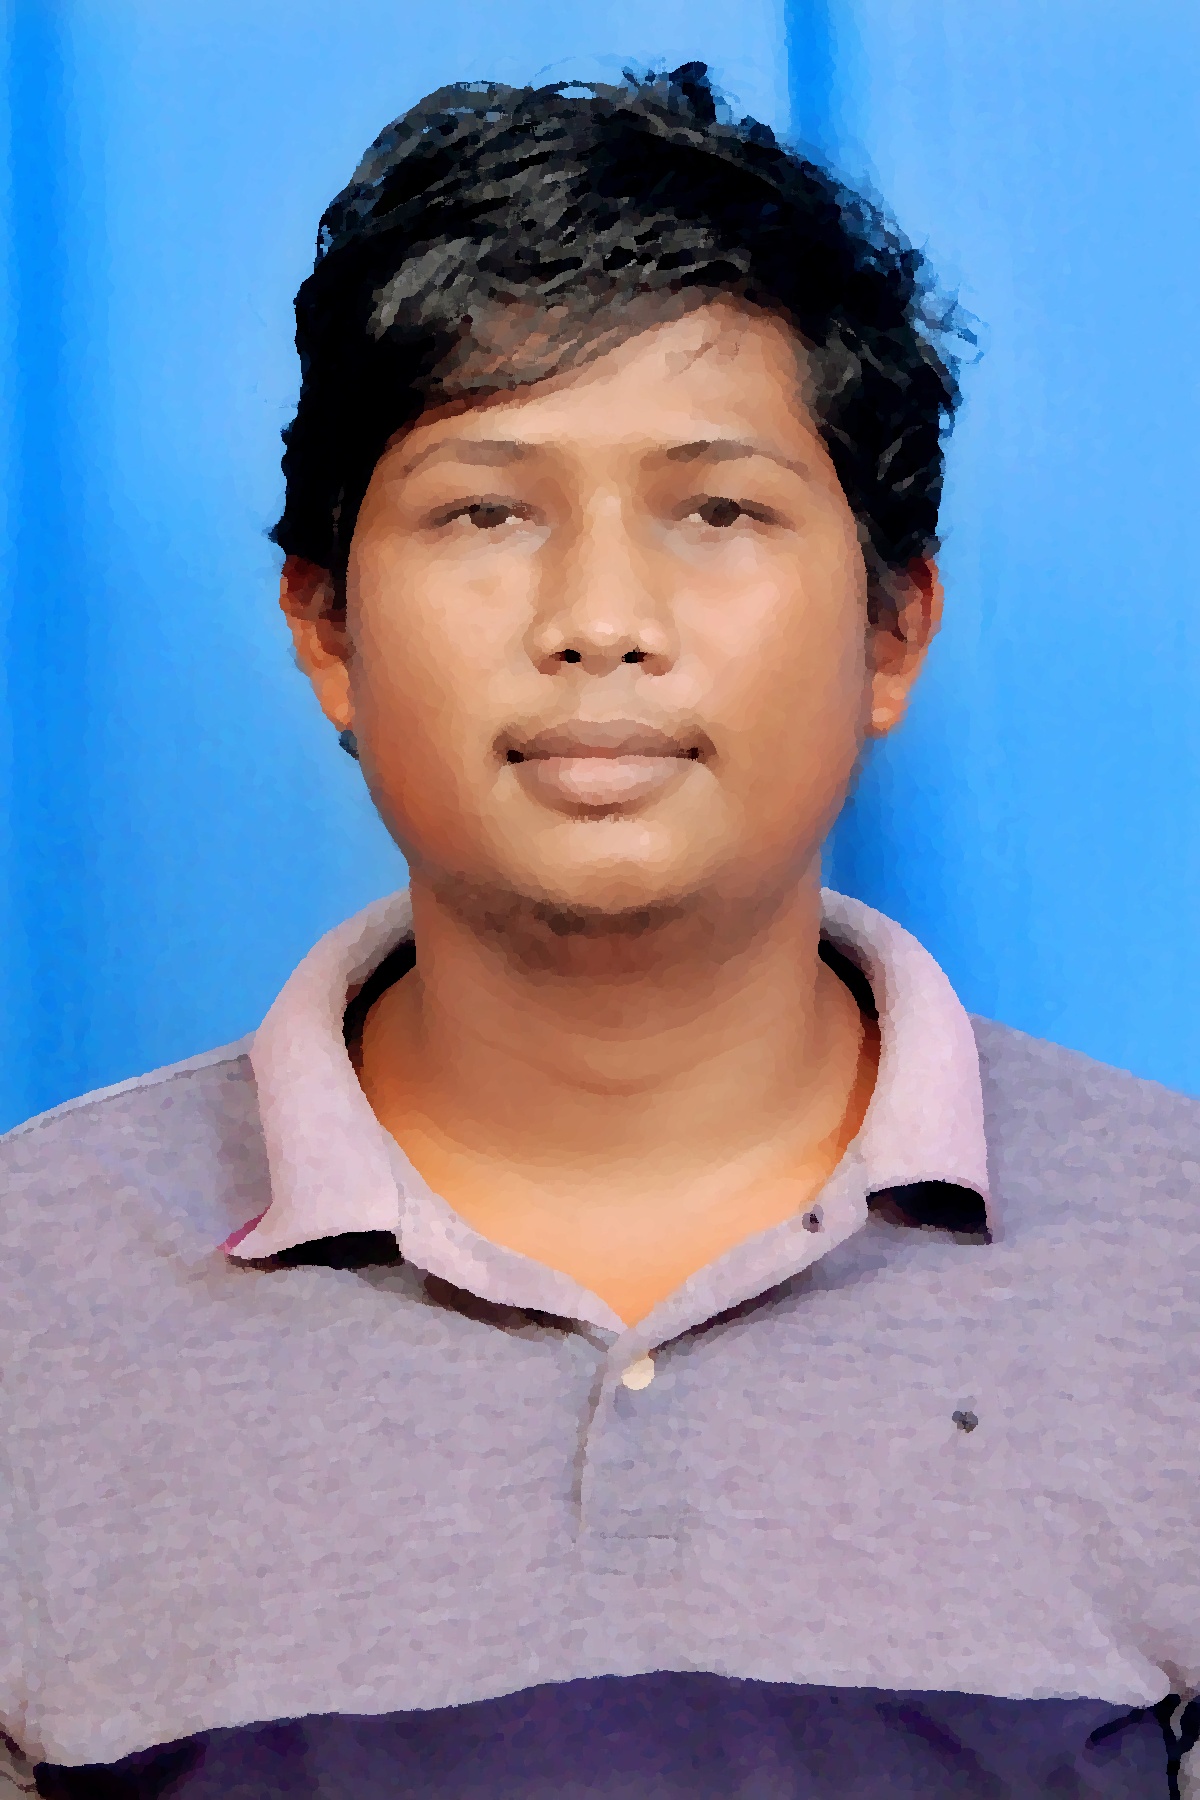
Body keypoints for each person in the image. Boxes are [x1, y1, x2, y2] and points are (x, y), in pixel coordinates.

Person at [2, 63, 1198, 1800]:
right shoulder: (33, 1301)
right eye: (486, 510)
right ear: (326, 630)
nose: (601, 620)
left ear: (893, 631)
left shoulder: (1173, 1276)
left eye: (717, 510)